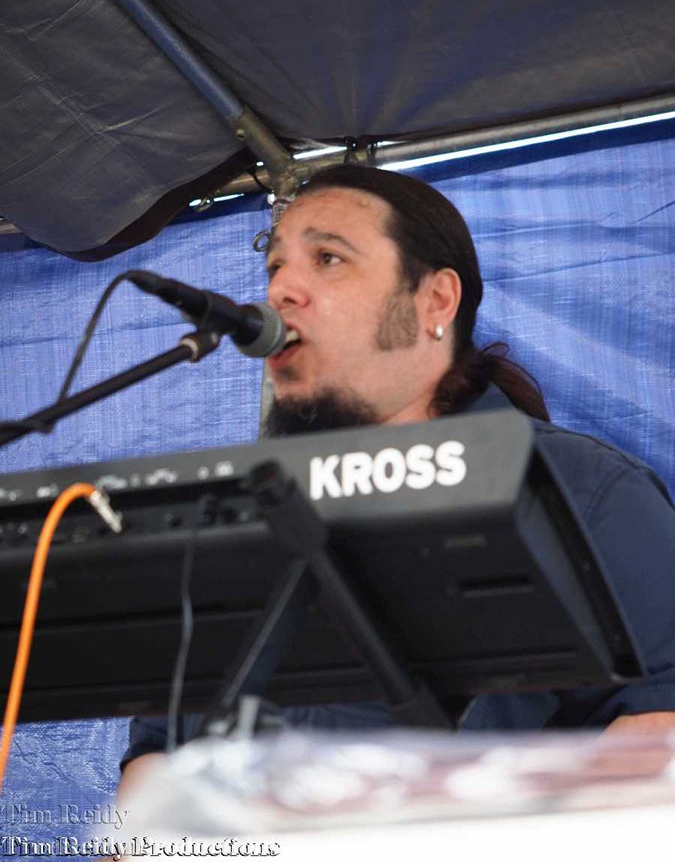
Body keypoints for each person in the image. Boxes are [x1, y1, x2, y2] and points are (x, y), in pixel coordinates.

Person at [118, 164, 675, 794]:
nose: (280, 291)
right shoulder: (229, 520)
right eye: (275, 267)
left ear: (435, 301)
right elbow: (156, 761)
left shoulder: (585, 490)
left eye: (328, 258)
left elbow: (658, 734)